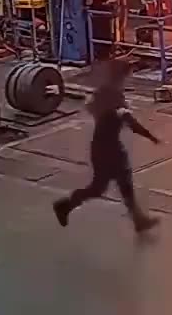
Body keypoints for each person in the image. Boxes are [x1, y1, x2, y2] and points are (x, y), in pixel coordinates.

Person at [52, 59, 161, 233]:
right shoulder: (115, 95)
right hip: (109, 149)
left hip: (102, 146)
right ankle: (65, 206)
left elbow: (92, 108)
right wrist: (150, 136)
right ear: (121, 77)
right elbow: (129, 122)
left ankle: (138, 220)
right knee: (106, 186)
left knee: (108, 185)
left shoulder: (103, 92)